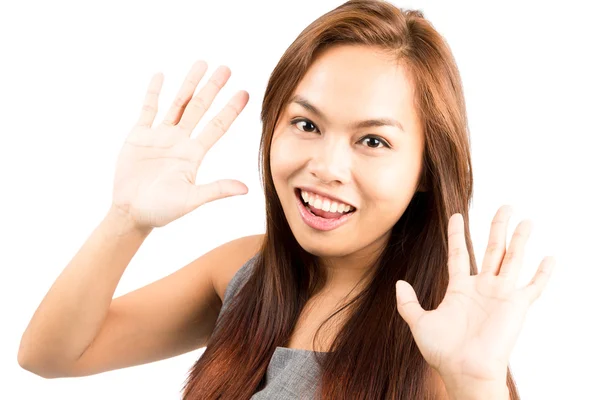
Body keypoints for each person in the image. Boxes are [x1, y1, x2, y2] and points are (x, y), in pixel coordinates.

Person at [17, 0, 555, 399]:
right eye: (306, 124)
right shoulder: (245, 273)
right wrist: (124, 220)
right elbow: (50, 355)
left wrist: (477, 383)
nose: (325, 167)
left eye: (373, 141)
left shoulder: (445, 335)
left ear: (424, 171)